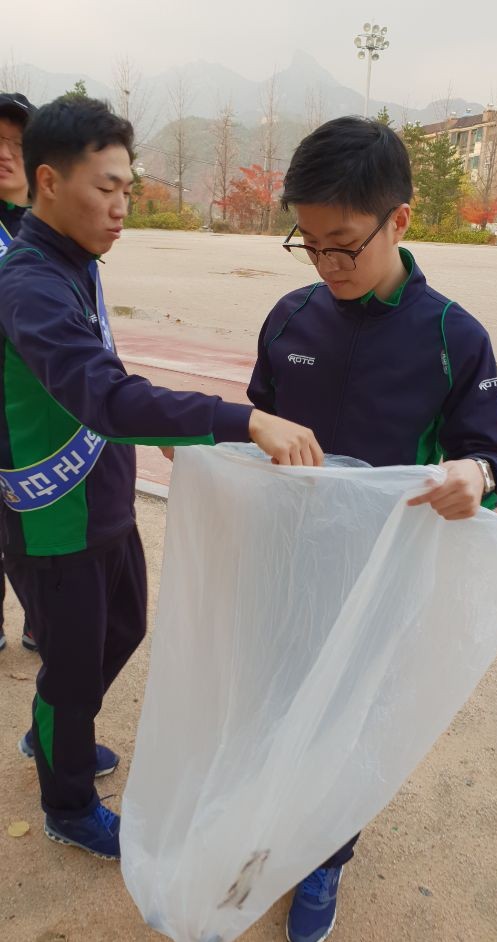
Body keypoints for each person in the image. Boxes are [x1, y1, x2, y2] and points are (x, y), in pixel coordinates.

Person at [0, 96, 322, 861]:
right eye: (105, 188)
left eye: (127, 187)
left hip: (103, 496)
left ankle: (56, 726)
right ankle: (67, 801)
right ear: (50, 182)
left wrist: (168, 430)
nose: (122, 206)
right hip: (55, 518)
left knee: (123, 629)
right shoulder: (29, 286)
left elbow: (99, 385)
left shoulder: (73, 260)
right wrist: (242, 420)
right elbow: (105, 396)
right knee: (74, 670)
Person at [247, 116, 497, 942]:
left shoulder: (453, 337)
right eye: (310, 245)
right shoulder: (290, 319)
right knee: (280, 698)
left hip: (382, 577)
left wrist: (475, 477)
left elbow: (488, 456)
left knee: (350, 719)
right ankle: (270, 823)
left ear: (398, 219)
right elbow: (255, 422)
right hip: (289, 561)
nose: (327, 266)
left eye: (345, 246)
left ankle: (326, 857)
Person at [0, 91, 37, 652]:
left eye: (17, 144)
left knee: (34, 524)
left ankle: (40, 616)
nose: (5, 154)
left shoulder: (59, 230)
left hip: (35, 413)